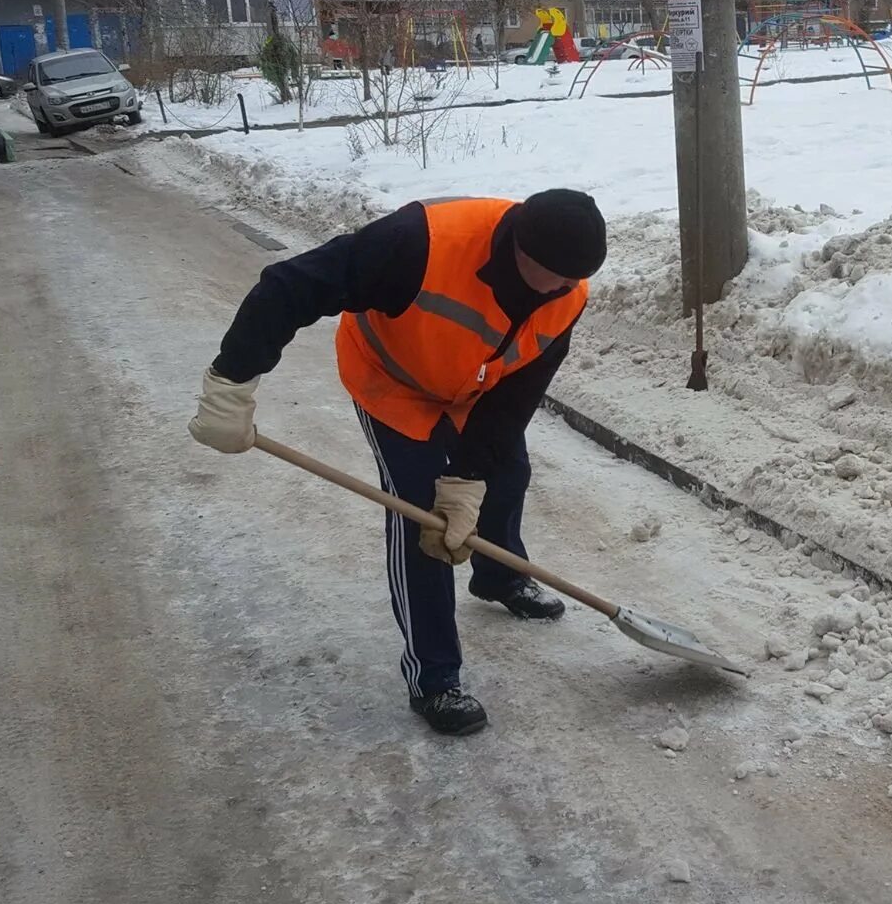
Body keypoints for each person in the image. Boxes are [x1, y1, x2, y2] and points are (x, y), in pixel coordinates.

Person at [188, 190, 606, 737]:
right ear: (517, 246)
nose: (558, 289)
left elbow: (516, 398)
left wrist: (469, 477)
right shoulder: (420, 242)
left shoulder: (567, 294)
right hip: (394, 381)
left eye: (569, 281)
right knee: (423, 516)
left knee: (506, 473)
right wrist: (231, 383)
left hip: (476, 385)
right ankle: (435, 679)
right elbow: (288, 286)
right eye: (549, 275)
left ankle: (500, 576)